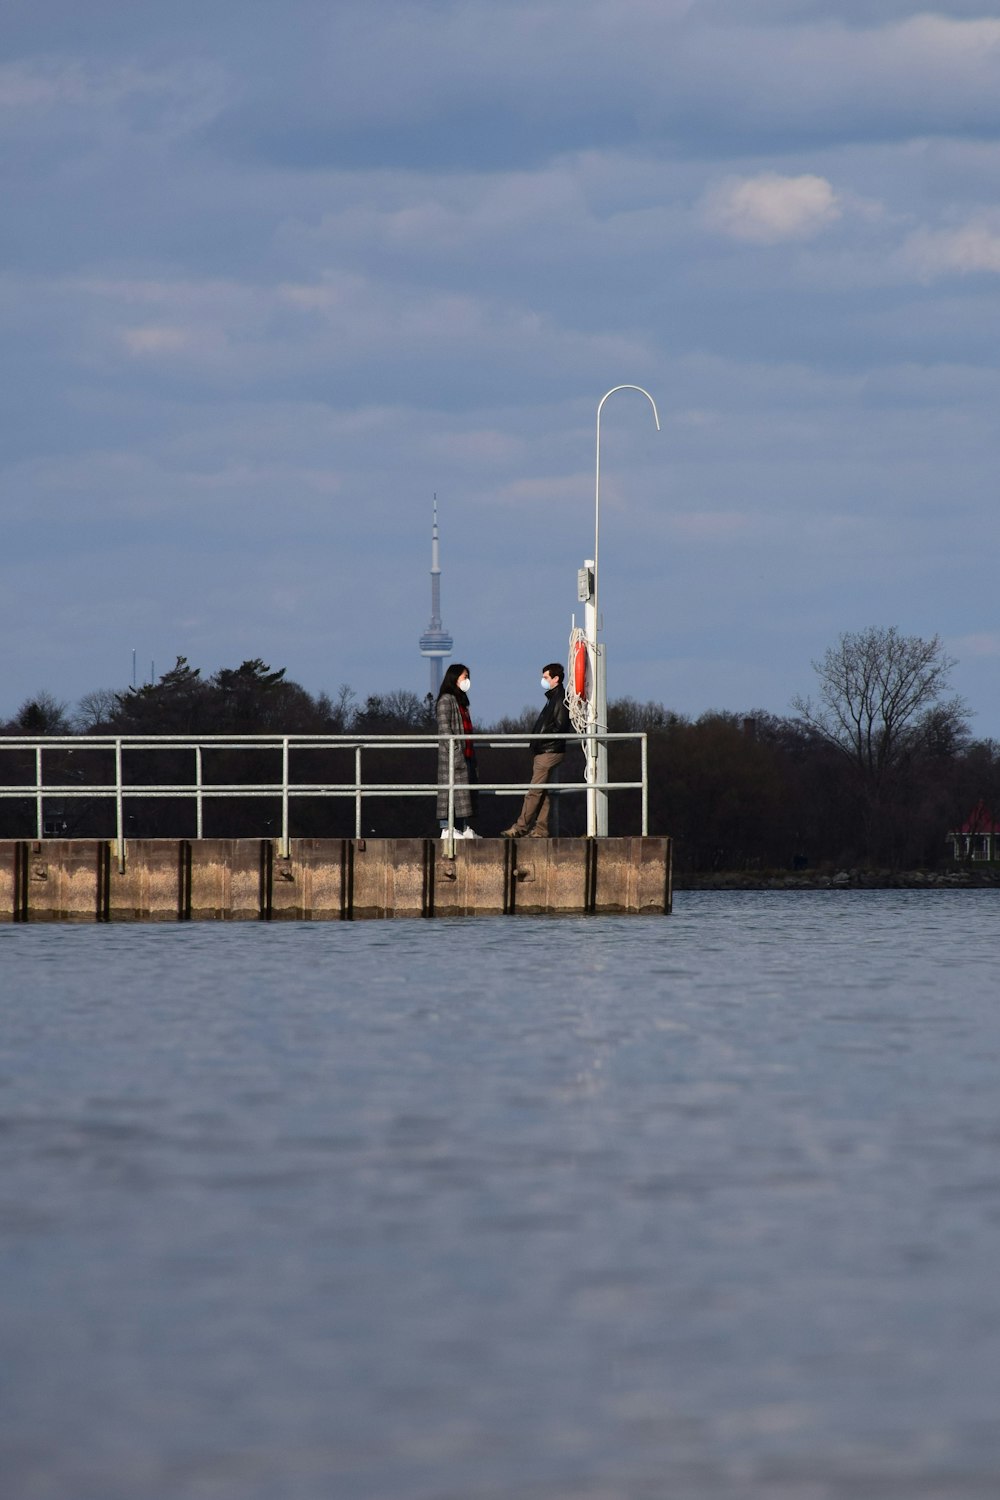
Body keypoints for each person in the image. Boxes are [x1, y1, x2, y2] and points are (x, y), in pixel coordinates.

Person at [502, 663, 570, 838]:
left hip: (549, 751)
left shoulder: (559, 698)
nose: (542, 680)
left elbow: (560, 727)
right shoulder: (553, 698)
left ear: (556, 678)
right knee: (542, 792)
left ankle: (520, 828)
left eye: (546, 677)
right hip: (545, 750)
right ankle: (541, 830)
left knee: (534, 791)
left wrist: (541, 741)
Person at [436, 663, 480, 839]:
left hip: (466, 753)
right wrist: (455, 750)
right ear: (454, 678)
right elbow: (445, 729)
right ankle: (447, 828)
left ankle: (463, 827)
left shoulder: (461, 701)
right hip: (453, 755)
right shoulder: (446, 700)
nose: (467, 680)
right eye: (464, 676)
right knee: (450, 792)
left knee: (464, 794)